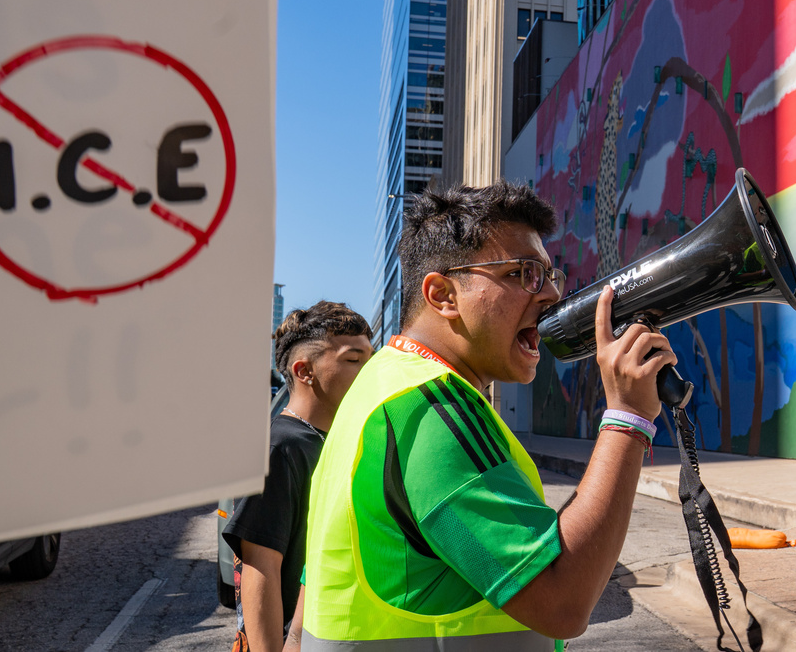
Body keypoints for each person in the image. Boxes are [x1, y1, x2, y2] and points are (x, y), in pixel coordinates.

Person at [293, 180, 678, 650]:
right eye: (524, 273)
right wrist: (627, 417)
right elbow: (562, 601)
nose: (553, 296)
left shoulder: (381, 382)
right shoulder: (431, 407)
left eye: (551, 276)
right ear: (443, 295)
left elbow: (314, 584)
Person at [223, 301, 373, 652]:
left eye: (371, 358)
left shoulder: (338, 438)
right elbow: (260, 570)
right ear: (304, 371)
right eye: (354, 360)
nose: (368, 372)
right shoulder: (280, 447)